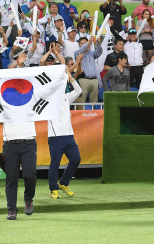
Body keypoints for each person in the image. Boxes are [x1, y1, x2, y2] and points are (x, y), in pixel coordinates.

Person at [48, 67, 82, 199]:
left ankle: (63, 183)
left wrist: (70, 77)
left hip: (69, 135)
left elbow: (78, 90)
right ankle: (53, 189)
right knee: (54, 164)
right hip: (55, 136)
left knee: (76, 159)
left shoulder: (66, 97)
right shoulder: (48, 99)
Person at [2, 118, 37, 219]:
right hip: (10, 143)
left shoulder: (30, 101)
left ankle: (28, 199)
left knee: (30, 174)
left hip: (28, 142)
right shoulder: (5, 102)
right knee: (11, 178)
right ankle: (11, 209)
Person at [73, 36, 103, 105]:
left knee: (94, 102)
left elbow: (100, 52)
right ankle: (80, 115)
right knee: (81, 100)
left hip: (94, 80)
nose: (84, 44)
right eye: (81, 43)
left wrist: (99, 44)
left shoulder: (92, 53)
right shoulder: (77, 53)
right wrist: (88, 41)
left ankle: (94, 115)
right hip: (83, 80)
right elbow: (82, 49)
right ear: (79, 45)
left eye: (85, 43)